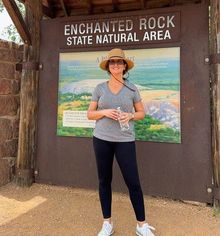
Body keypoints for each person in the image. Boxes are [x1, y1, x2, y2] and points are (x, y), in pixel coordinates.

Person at [87, 48, 155, 236]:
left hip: (125, 140)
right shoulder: (99, 88)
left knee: (133, 182)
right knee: (104, 181)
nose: (115, 65)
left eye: (119, 62)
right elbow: (90, 114)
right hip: (101, 139)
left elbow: (142, 113)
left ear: (125, 66)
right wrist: (104, 112)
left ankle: (141, 225)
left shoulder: (132, 88)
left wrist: (130, 115)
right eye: (112, 62)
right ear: (108, 67)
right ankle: (107, 223)